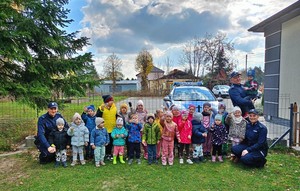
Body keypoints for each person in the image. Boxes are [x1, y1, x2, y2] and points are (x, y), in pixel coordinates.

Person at [96, 95, 118, 161]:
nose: (112, 102)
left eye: (112, 100)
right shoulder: (101, 108)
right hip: (104, 128)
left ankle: (109, 154)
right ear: (106, 102)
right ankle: (103, 154)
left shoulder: (114, 107)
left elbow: (116, 115)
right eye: (110, 101)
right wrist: (101, 110)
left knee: (111, 142)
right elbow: (98, 117)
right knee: (105, 142)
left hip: (113, 128)